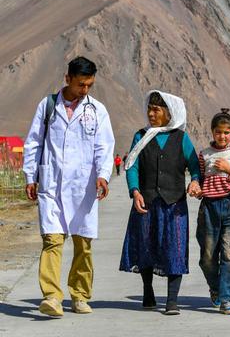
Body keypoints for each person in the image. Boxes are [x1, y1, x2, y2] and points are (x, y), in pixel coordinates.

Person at [23, 56, 115, 317]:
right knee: (52, 240)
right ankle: (52, 296)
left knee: (83, 244)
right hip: (51, 184)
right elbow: (34, 142)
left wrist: (103, 176)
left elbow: (104, 147)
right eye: (80, 85)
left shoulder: (97, 110)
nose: (84, 90)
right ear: (68, 79)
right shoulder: (48, 106)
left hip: (83, 187)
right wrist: (31, 176)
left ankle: (80, 295)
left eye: (89, 85)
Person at [119, 91, 201, 315]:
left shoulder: (181, 137)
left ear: (169, 113)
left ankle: (172, 300)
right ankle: (148, 291)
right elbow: (132, 166)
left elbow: (195, 166)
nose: (151, 113)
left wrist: (195, 181)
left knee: (175, 248)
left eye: (156, 110)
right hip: (146, 201)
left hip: (174, 204)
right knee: (146, 246)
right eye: (150, 109)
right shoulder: (141, 136)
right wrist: (134, 191)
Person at [195, 109, 230, 315]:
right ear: (212, 132)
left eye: (227, 132)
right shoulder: (204, 155)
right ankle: (216, 288)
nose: (223, 136)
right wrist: (196, 188)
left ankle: (227, 300)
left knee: (229, 255)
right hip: (209, 208)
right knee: (208, 257)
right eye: (219, 132)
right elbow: (199, 180)